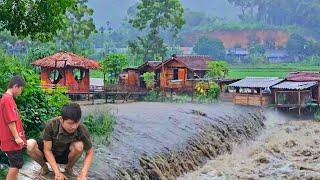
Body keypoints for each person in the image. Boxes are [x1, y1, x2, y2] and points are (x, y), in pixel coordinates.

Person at [27, 103, 94, 180]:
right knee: (30, 144)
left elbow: (90, 152)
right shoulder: (51, 124)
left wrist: (84, 173)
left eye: (76, 122)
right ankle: (44, 167)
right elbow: (47, 150)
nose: (74, 127)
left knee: (79, 146)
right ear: (61, 119)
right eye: (70, 123)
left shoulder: (82, 129)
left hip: (64, 156)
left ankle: (68, 168)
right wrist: (57, 172)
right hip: (48, 153)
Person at [0, 75, 26, 180]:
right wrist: (16, 137)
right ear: (15, 86)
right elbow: (10, 121)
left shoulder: (7, 98)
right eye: (21, 89)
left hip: (11, 139)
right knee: (16, 163)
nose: (21, 91)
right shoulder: (7, 100)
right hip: (11, 139)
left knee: (16, 163)